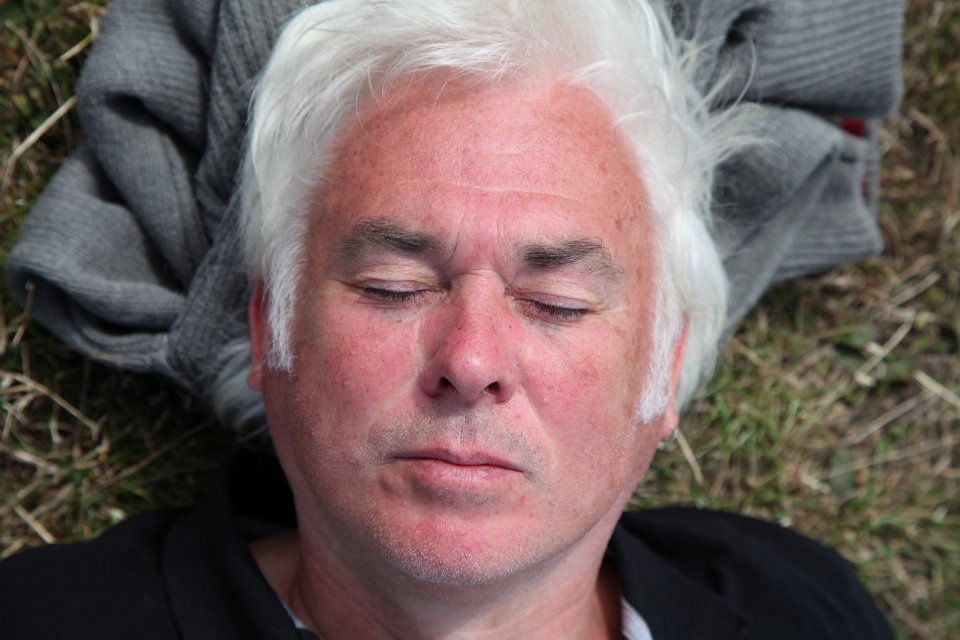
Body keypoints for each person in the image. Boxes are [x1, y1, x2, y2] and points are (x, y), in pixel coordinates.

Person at [1, 1, 899, 638]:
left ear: (663, 370)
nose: (470, 360)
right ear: (271, 331)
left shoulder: (801, 605)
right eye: (394, 285)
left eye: (555, 302)